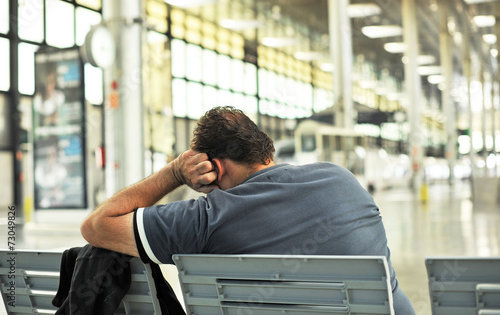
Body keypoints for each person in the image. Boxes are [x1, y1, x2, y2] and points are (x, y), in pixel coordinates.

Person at [81, 106, 415, 314]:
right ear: (265, 149)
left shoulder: (209, 217)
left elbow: (96, 226)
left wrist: (173, 173)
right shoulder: (342, 179)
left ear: (213, 168)